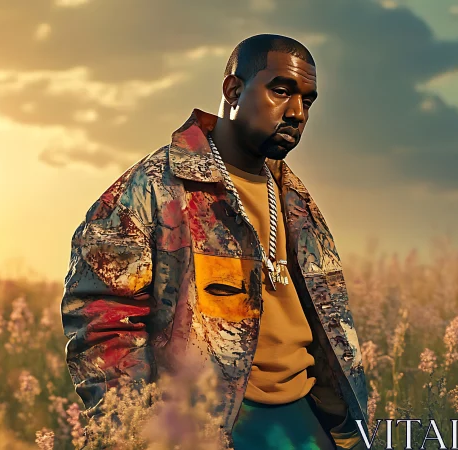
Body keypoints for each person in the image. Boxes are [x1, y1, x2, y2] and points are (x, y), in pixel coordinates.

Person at [61, 33, 369, 450]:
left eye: (308, 100)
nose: (297, 112)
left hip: (305, 415)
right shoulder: (155, 187)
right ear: (234, 90)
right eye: (281, 91)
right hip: (208, 426)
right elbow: (100, 318)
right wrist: (144, 430)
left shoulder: (293, 197)